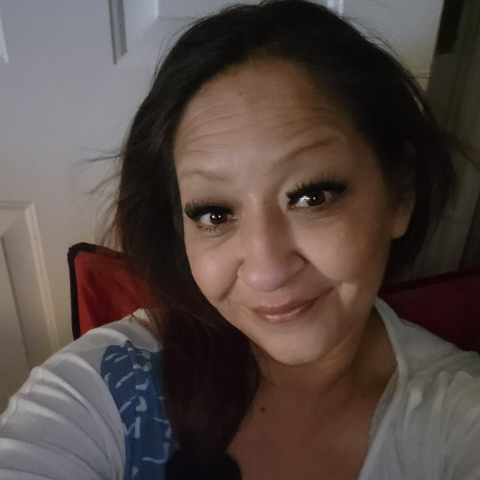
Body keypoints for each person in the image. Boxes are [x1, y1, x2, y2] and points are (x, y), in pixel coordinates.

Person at [1, 0, 479, 479]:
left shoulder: (457, 415)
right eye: (215, 214)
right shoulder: (108, 385)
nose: (266, 271)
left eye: (312, 197)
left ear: (401, 193)